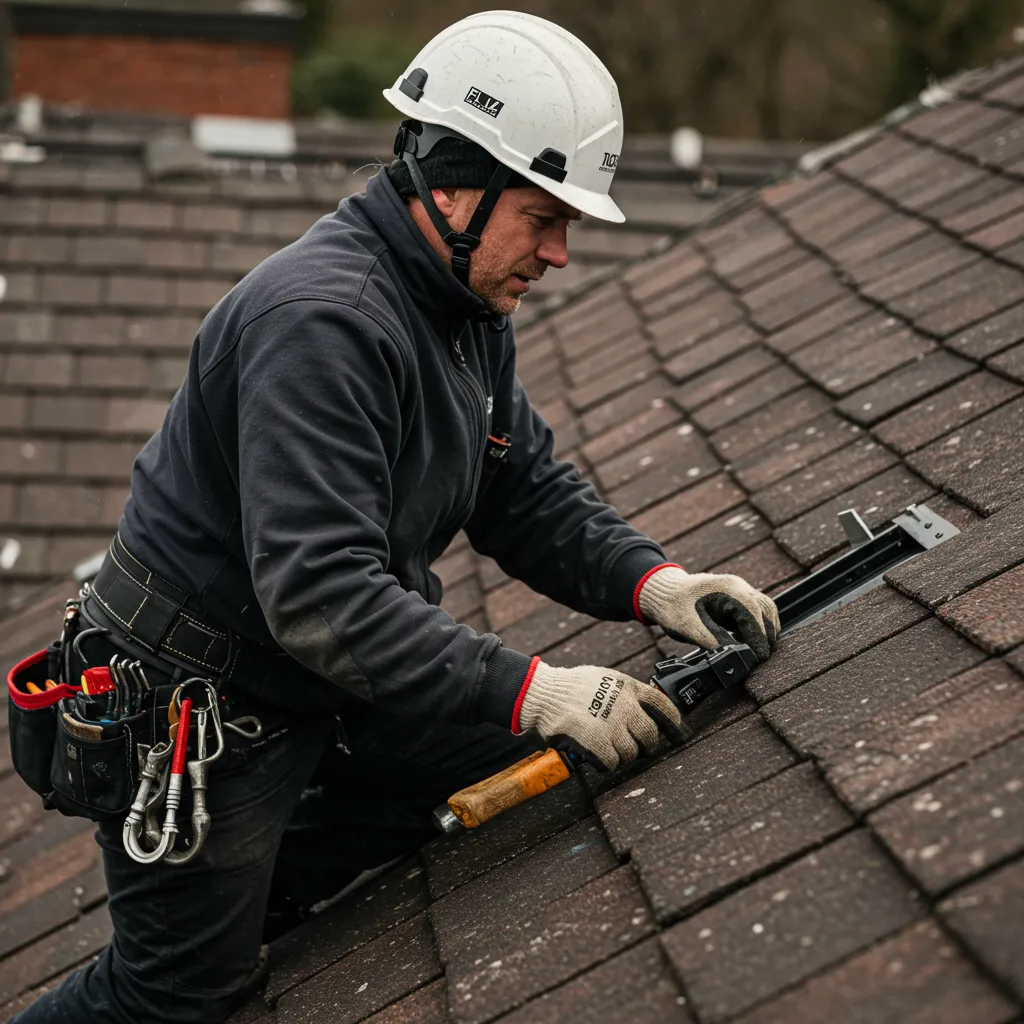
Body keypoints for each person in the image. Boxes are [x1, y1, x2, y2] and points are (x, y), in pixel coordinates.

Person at [13, 12, 778, 1023]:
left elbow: (520, 488)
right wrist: (536, 687)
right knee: (176, 992)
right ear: (453, 184)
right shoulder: (322, 323)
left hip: (333, 676)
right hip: (207, 705)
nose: (557, 253)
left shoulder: (463, 310)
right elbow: (321, 592)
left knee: (543, 757)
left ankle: (277, 875)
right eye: (541, 218)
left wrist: (654, 581)